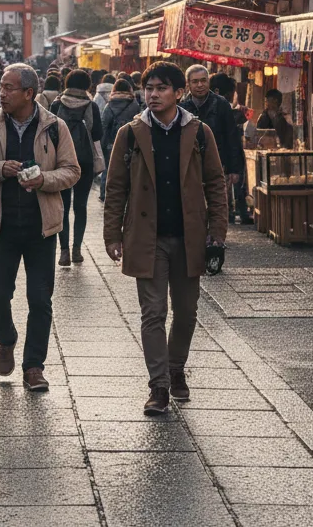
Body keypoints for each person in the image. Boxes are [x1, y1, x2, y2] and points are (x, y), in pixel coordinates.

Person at [103, 61, 229, 416]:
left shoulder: (199, 132)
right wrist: (112, 233)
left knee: (187, 311)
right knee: (153, 313)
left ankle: (176, 367)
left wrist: (217, 234)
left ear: (178, 92)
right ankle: (158, 385)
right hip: (148, 237)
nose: (153, 95)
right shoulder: (130, 133)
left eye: (161, 88)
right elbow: (115, 188)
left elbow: (216, 185)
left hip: (190, 236)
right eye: (149, 89)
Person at [0, 64, 80, 391]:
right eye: (1, 87)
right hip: (1, 225)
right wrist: (0, 169)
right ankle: (6, 337)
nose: (2, 93)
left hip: (41, 227)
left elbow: (72, 170)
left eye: (9, 88)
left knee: (40, 299)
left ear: (28, 93)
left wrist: (45, 179)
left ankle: (34, 367)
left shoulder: (54, 127)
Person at [51, 69, 104, 266]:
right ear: (86, 85)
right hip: (85, 161)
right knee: (80, 206)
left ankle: (63, 252)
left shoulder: (57, 104)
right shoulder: (91, 105)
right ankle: (77, 250)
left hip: (61, 161)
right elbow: (97, 133)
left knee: (62, 206)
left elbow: (49, 132)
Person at [182, 65, 245, 225]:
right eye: (195, 82)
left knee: (217, 203)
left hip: (218, 162)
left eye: (203, 80)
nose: (200, 85)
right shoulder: (182, 106)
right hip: (190, 164)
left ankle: (216, 238)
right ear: (188, 84)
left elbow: (232, 136)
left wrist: (234, 169)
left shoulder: (221, 104)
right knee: (193, 203)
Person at [211, 73, 252, 224]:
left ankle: (232, 212)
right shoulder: (223, 109)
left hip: (224, 155)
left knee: (227, 186)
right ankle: (235, 212)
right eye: (230, 93)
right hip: (225, 155)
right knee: (229, 185)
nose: (231, 96)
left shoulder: (215, 108)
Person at [99, 78, 141, 203]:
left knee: (108, 169)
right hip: (130, 142)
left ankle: (104, 194)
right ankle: (128, 194)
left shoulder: (109, 104)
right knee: (129, 169)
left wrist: (102, 144)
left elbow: (104, 126)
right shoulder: (134, 105)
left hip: (111, 143)